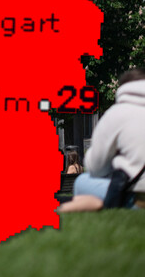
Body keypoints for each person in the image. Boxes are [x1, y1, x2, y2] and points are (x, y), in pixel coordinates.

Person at [59, 68, 145, 213]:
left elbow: (96, 167)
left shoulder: (117, 113)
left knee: (82, 182)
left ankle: (92, 206)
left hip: (136, 195)